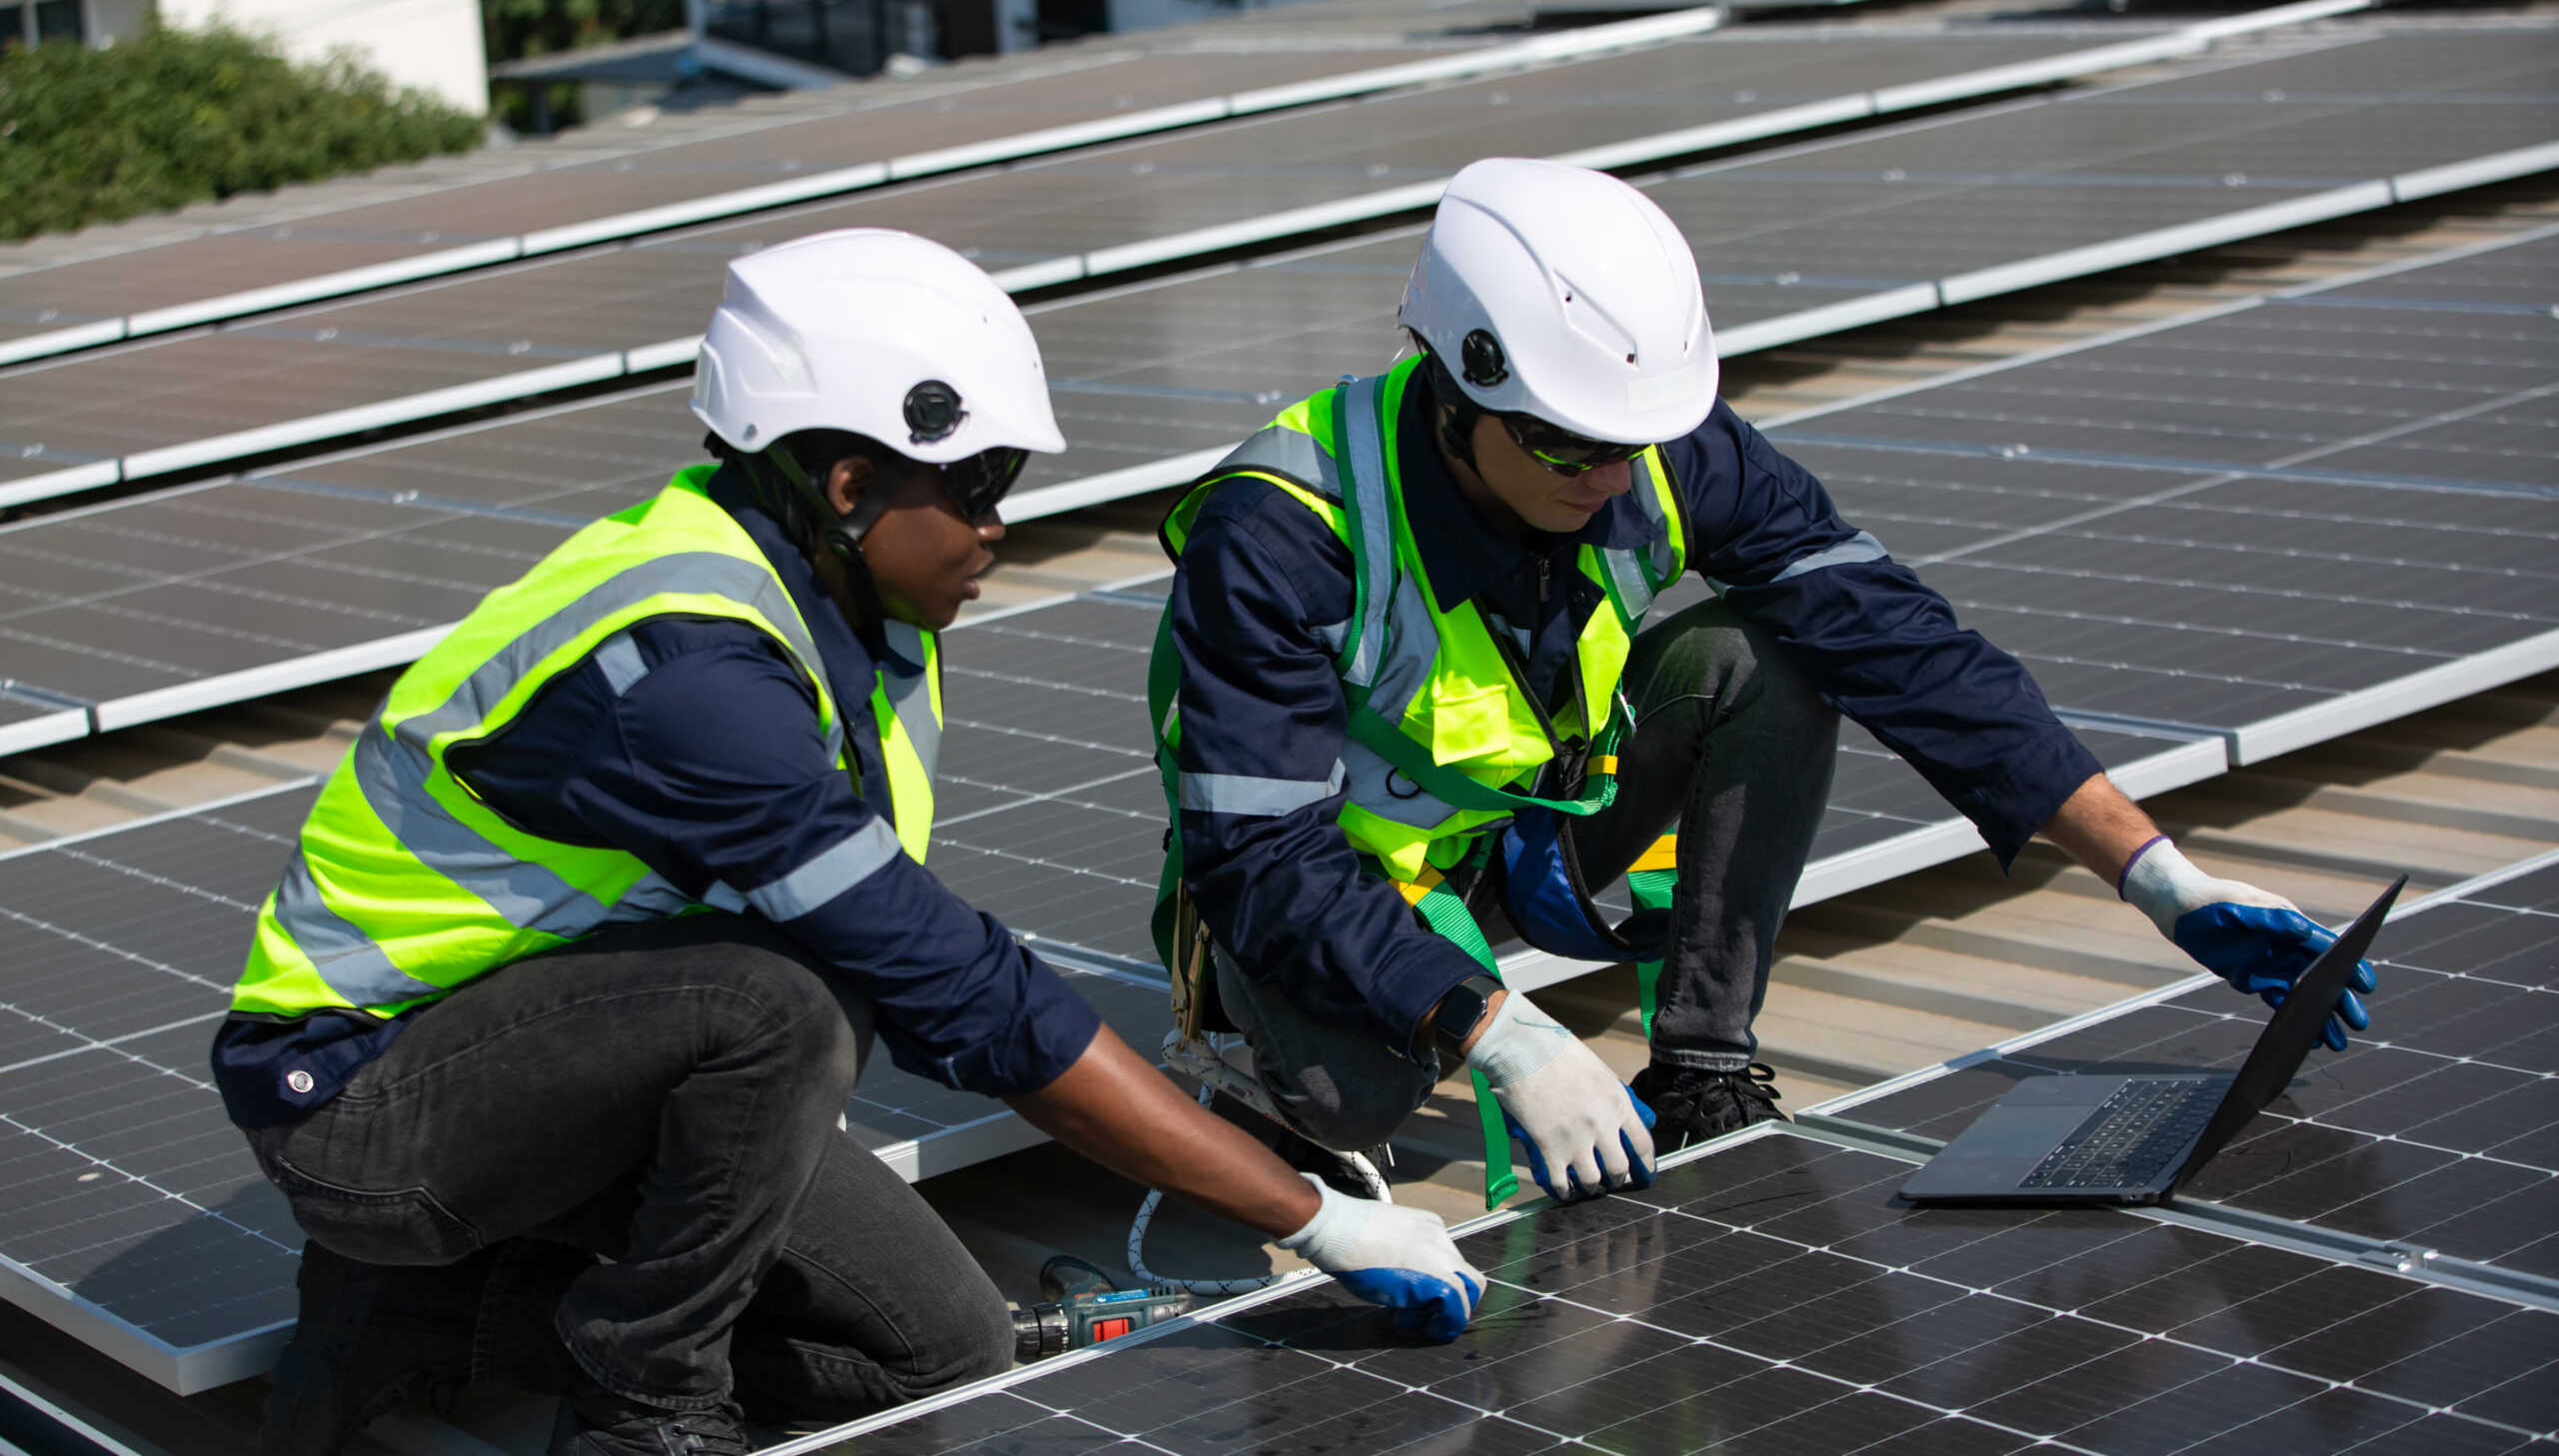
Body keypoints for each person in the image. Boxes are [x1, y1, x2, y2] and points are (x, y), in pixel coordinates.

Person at [213, 230, 1487, 1456]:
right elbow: (956, 987)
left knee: (943, 1351)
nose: (1000, 525)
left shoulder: (849, 614)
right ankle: (642, 1407)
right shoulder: (685, 674)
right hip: (362, 1106)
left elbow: (936, 994)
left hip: (570, 1066)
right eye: (979, 484)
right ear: (847, 483)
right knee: (783, 1002)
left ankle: (436, 1318)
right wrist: (1310, 1216)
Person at [1153, 157, 2375, 1203]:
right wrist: (1498, 1027)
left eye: (1629, 445)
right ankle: (1263, 1070)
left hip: (1517, 842)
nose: (1609, 480)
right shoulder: (1282, 530)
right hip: (1321, 893)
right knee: (1353, 1098)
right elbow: (1259, 862)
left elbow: (1899, 645)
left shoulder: (1655, 446)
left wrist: (2157, 876)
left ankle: (1701, 1064)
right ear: (1456, 386)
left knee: (1769, 658)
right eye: (1567, 444)